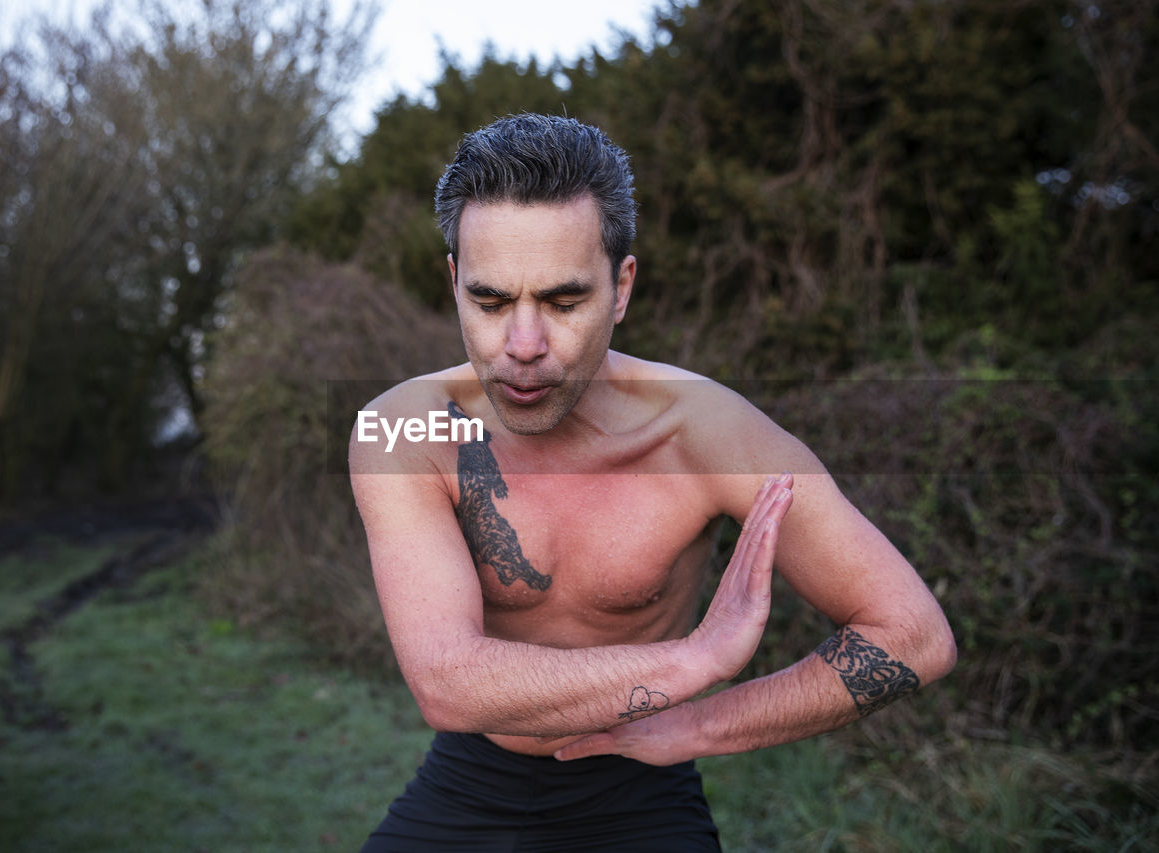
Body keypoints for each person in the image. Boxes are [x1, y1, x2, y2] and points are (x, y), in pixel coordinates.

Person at [349, 114, 956, 851]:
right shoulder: (405, 427)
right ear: (454, 282)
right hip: (470, 779)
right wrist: (697, 657)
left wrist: (700, 722)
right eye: (491, 302)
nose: (524, 347)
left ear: (622, 286)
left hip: (642, 788)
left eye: (565, 302)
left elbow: (915, 636)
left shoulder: (706, 433)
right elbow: (446, 681)